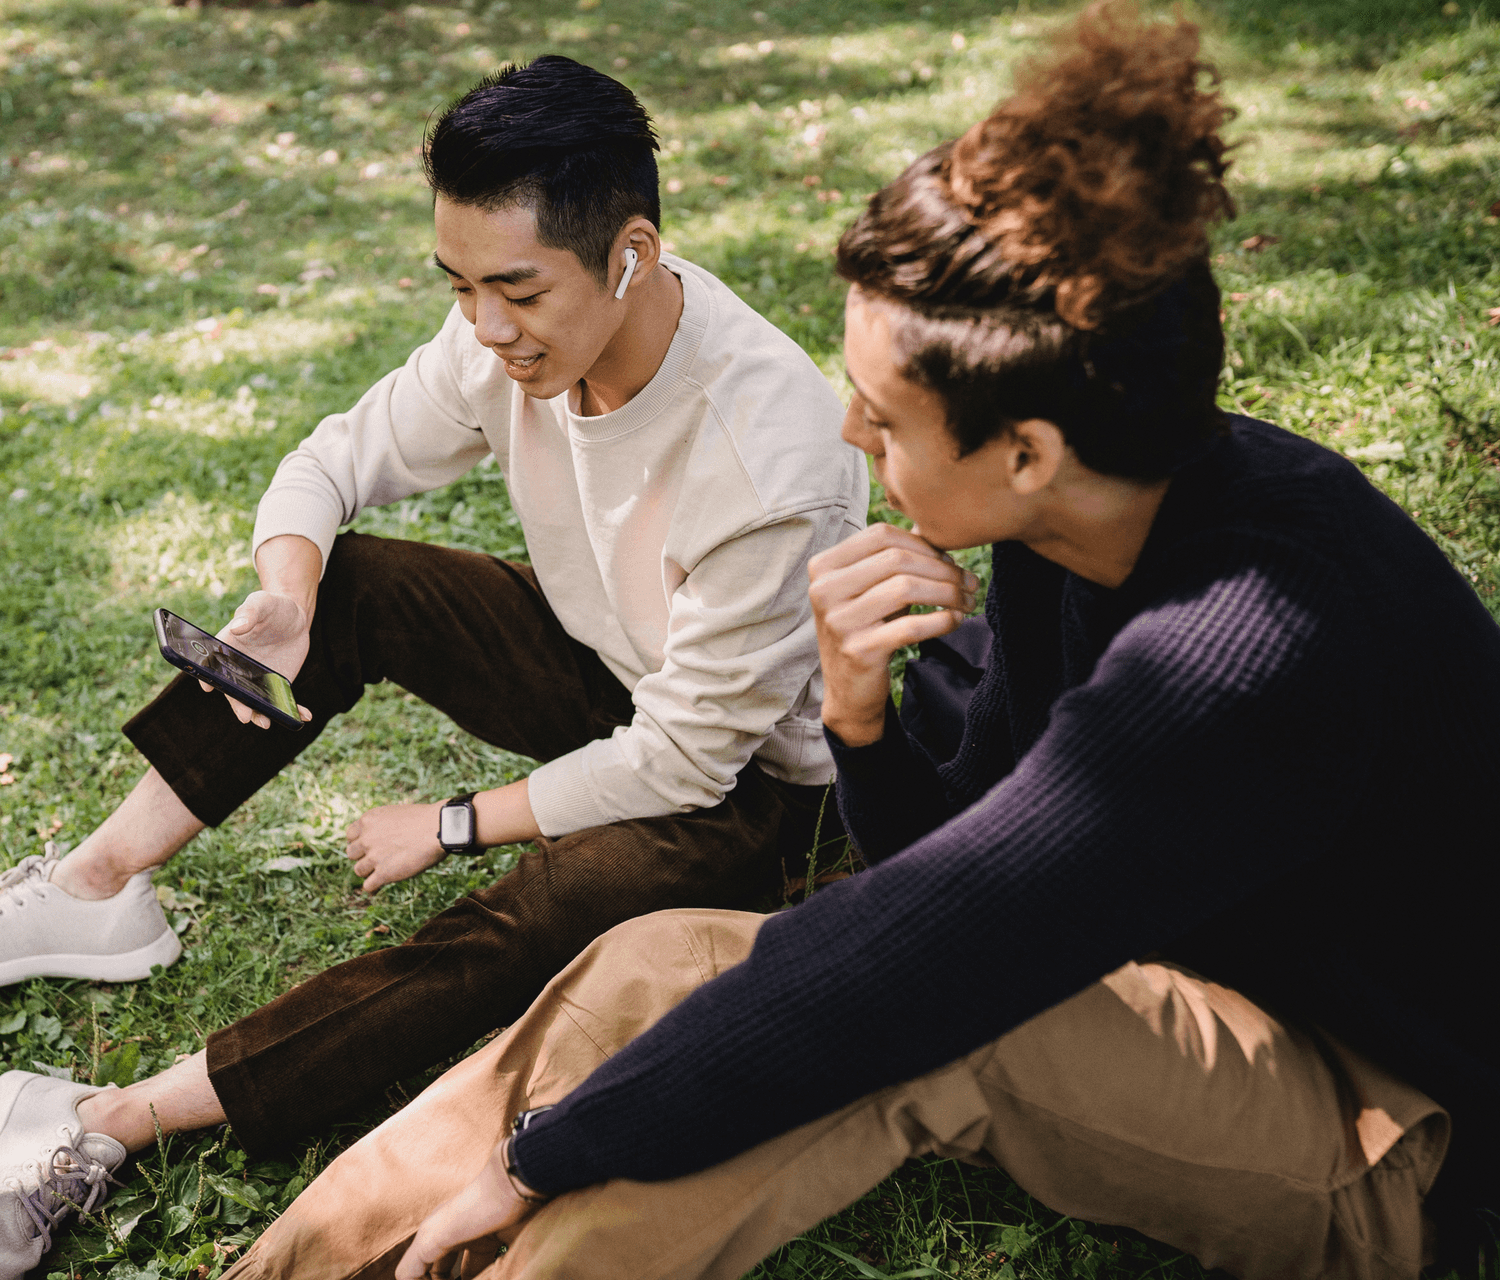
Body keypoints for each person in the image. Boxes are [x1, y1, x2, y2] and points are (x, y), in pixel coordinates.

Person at [195, 7, 1500, 1279]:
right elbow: (950, 851)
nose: (849, 443)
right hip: (1164, 973)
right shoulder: (1074, 530)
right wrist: (861, 719)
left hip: (1386, 1123)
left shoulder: (1243, 641)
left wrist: (539, 1158)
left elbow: (929, 946)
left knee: (886, 1025)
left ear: (1025, 453)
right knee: (665, 959)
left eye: (880, 416)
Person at [0, 56, 867, 1280]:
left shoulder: (765, 452)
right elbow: (334, 457)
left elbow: (685, 756)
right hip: (615, 672)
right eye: (460, 285)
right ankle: (101, 887)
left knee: (552, 906)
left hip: (762, 791)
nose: (486, 327)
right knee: (352, 579)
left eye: (517, 289)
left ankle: (108, 1115)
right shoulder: (500, 340)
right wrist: (289, 592)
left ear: (630, 253)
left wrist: (455, 822)